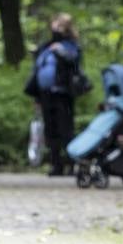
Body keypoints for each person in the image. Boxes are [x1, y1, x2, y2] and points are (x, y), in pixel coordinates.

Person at [26, 13, 83, 176]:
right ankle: (56, 164)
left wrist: (60, 52)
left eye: (60, 26)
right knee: (50, 130)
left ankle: (72, 164)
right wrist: (36, 97)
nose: (56, 28)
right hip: (45, 94)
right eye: (54, 25)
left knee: (65, 129)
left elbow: (74, 62)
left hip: (63, 94)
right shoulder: (46, 46)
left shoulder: (70, 46)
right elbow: (37, 70)